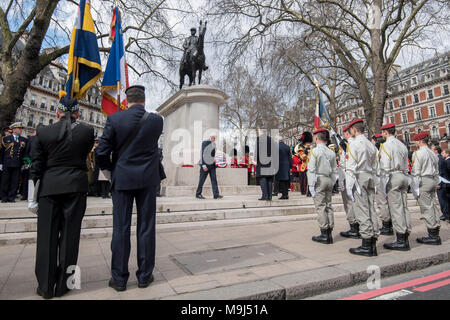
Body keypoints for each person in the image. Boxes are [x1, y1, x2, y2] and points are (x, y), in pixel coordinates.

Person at [95, 85, 164, 291]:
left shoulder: (115, 119)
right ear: (144, 99)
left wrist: (109, 172)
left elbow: (101, 152)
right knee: (146, 227)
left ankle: (119, 278)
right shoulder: (156, 120)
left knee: (121, 228)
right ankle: (144, 275)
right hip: (148, 179)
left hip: (123, 178)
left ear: (127, 100)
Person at [32, 93, 95, 299]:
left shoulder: (43, 132)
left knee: (46, 238)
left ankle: (45, 286)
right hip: (76, 187)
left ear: (57, 111)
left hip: (49, 187)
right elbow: (83, 154)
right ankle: (65, 284)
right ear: (78, 113)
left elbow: (36, 167)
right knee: (70, 237)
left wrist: (32, 198)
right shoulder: (87, 132)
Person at [345, 119, 379, 257]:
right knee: (371, 208)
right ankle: (373, 241)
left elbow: (351, 167)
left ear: (354, 130)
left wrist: (348, 186)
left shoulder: (354, 144)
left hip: (359, 177)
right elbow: (377, 164)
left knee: (362, 210)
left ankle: (366, 243)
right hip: (370, 176)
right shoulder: (371, 145)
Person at [379, 123, 411, 251]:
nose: (382, 135)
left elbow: (385, 166)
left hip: (392, 176)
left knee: (396, 208)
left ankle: (401, 239)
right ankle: (406, 231)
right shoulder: (402, 145)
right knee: (404, 207)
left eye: (383, 132)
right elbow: (405, 163)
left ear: (386, 132)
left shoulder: (386, 145)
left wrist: (383, 185)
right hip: (403, 175)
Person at [410, 132, 442, 245]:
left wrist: (415, 188)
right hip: (432, 180)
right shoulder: (432, 153)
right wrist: (437, 181)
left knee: (426, 208)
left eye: (415, 141)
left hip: (423, 180)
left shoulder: (418, 154)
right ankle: (435, 230)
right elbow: (437, 170)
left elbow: (416, 172)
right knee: (433, 205)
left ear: (419, 141)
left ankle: (432, 234)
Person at [308, 128, 337, 244]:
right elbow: (335, 169)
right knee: (329, 205)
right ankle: (329, 231)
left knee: (320, 206)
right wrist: (333, 182)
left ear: (316, 138)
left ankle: (324, 232)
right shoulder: (331, 152)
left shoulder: (315, 151)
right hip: (329, 178)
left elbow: (311, 169)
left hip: (319, 178)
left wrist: (311, 185)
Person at [339, 126, 360, 239]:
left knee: (348, 203)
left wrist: (341, 179)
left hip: (349, 177)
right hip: (359, 177)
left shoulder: (348, 145)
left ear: (347, 133)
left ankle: (354, 227)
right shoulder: (360, 143)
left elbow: (344, 164)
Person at [371, 133, 393, 236]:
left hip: (380, 178)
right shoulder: (386, 149)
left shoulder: (377, 151)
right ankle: (390, 223)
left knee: (381, 202)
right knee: (387, 202)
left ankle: (386, 224)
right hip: (389, 177)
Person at [0, 122, 28, 203]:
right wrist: (1, 163)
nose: (20, 130)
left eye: (21, 129)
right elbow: (2, 152)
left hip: (17, 163)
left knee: (15, 181)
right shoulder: (6, 139)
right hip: (7, 162)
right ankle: (4, 197)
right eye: (19, 128)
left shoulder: (24, 140)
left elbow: (25, 153)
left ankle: (12, 197)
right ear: (14, 129)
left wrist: (25, 164)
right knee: (5, 181)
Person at [195, 134, 222, 199]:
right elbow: (202, 153)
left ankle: (216, 195)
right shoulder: (205, 142)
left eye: (215, 138)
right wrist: (203, 165)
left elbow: (212, 154)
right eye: (213, 137)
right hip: (205, 165)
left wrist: (214, 159)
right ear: (210, 137)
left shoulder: (214, 144)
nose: (214, 139)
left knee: (214, 180)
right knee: (202, 180)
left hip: (212, 165)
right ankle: (198, 194)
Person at [256, 127, 277, 201]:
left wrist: (256, 160)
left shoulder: (259, 139)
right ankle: (269, 196)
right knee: (269, 179)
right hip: (270, 162)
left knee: (263, 178)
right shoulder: (270, 139)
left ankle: (265, 195)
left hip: (262, 162)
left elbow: (257, 152)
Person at [439, 149, 450, 222]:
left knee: (447, 199)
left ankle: (447, 215)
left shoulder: (447, 161)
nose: (442, 154)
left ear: (447, 154)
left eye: (443, 153)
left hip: (447, 182)